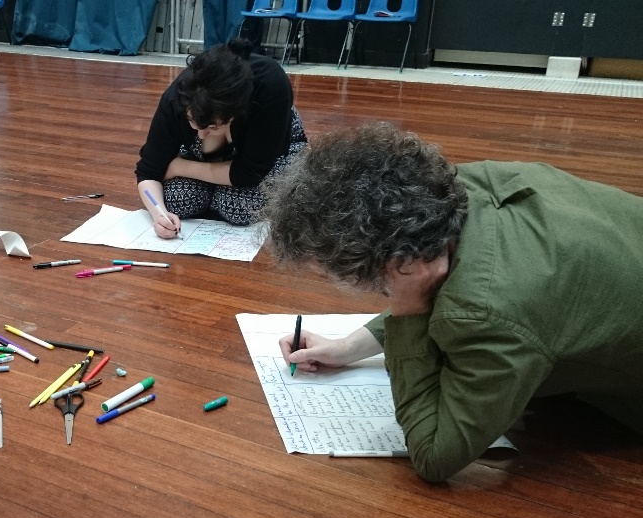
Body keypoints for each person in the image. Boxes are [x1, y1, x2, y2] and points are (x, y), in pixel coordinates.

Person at [262, 122, 643, 482]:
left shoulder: (485, 312)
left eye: (328, 273)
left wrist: (408, 307)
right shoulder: (456, 189)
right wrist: (349, 347)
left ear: (395, 266)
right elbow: (424, 266)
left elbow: (434, 455)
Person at [136, 39, 306, 237]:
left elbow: (249, 173)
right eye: (193, 123)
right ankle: (215, 186)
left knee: (238, 207)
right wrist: (159, 215)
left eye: (211, 127)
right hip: (214, 156)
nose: (200, 135)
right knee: (178, 200)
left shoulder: (270, 87)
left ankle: (216, 191)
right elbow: (148, 172)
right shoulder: (177, 100)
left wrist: (178, 167)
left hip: (268, 148)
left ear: (234, 114)